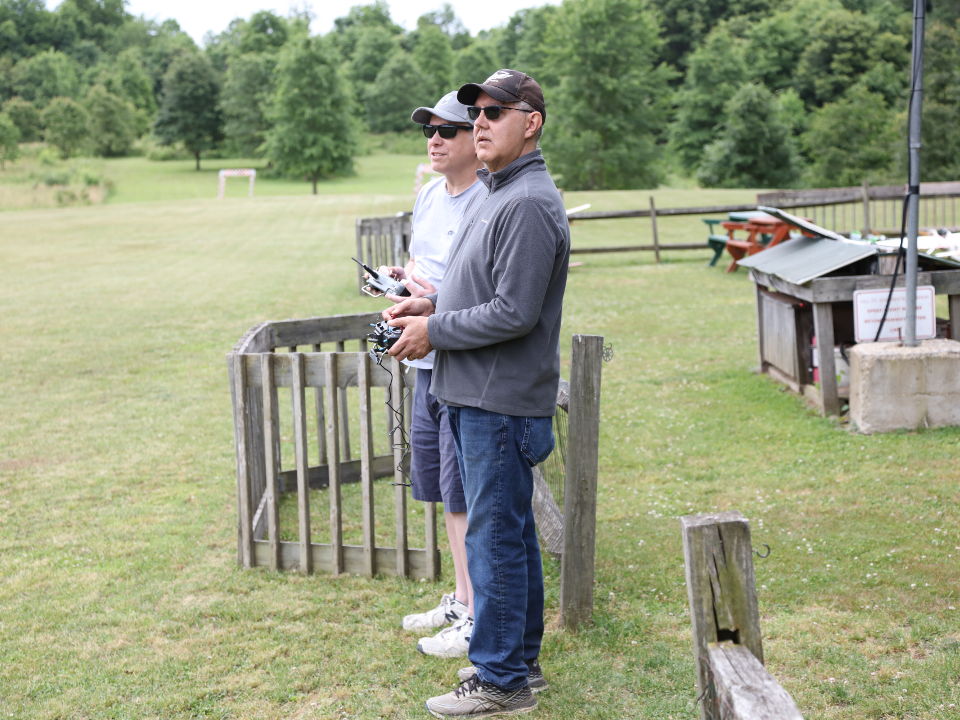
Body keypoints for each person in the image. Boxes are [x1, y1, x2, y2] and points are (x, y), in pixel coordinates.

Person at [383, 69, 569, 718]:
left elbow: (514, 312)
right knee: (509, 536)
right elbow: (484, 290)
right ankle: (521, 666)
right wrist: (430, 301)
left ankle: (499, 681)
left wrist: (433, 330)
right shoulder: (499, 191)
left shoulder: (526, 202)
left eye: (494, 112)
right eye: (476, 114)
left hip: (498, 401)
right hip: (482, 395)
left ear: (532, 122)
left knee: (494, 540)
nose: (480, 123)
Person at [377, 91, 484, 658]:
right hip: (422, 361)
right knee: (446, 491)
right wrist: (402, 282)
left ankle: (475, 611)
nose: (435, 140)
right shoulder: (427, 195)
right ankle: (461, 598)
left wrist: (433, 302)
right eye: (429, 132)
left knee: (467, 495)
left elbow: (487, 294)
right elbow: (423, 265)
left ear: (478, 137)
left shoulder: (489, 201)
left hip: (464, 362)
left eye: (448, 130)